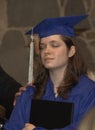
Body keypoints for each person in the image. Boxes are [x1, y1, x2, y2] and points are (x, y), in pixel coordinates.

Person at [3, 14, 95, 130]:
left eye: (54, 45)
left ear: (71, 51)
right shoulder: (30, 94)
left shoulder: (89, 93)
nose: (47, 51)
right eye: (42, 47)